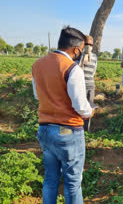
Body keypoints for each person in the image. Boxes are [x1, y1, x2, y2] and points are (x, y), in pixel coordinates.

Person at [32, 26, 95, 204]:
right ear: (76, 49)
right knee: (73, 183)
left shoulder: (37, 64)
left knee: (51, 179)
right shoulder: (72, 69)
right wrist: (91, 111)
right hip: (68, 132)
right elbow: (81, 107)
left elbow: (37, 95)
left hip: (45, 129)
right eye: (81, 50)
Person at [78, 35, 98, 131]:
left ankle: (86, 129)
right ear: (82, 44)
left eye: (90, 44)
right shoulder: (77, 56)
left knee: (89, 108)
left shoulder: (94, 57)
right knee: (78, 108)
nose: (88, 46)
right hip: (79, 87)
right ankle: (78, 128)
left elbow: (93, 72)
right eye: (86, 44)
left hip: (90, 86)